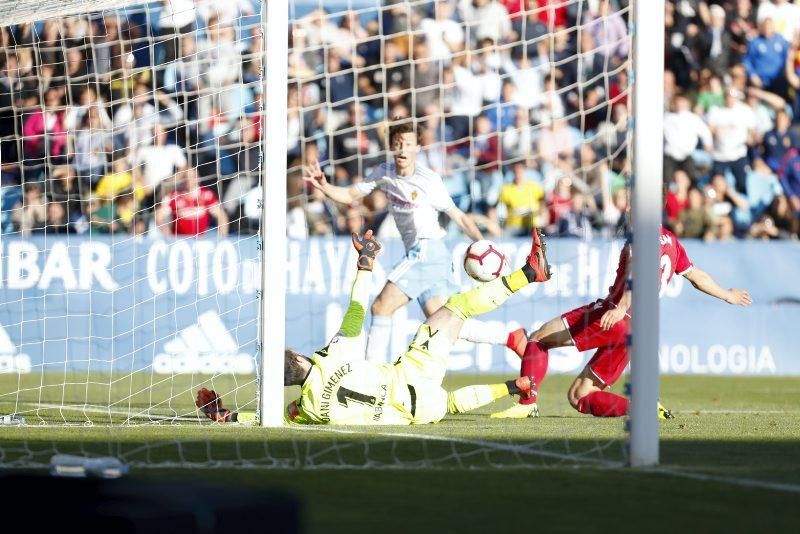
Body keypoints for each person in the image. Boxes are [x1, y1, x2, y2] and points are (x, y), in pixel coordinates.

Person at [194, 228, 552, 425]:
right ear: (300, 359)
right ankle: (528, 273)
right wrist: (365, 264)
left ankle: (511, 386)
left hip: (413, 413)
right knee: (456, 308)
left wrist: (227, 416)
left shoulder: (305, 410)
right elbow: (356, 310)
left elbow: (274, 418)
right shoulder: (330, 355)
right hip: (409, 375)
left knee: (450, 405)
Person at [492, 223, 752, 419]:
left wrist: (622, 306)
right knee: (579, 396)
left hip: (614, 315)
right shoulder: (671, 240)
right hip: (637, 330)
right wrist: (726, 295)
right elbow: (696, 276)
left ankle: (527, 404)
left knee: (538, 338)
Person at [304, 121, 511, 364]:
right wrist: (325, 185)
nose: (403, 150)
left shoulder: (428, 179)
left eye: (409, 144)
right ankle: (513, 338)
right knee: (443, 321)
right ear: (392, 146)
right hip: (431, 256)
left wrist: (484, 244)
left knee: (381, 307)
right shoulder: (384, 172)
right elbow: (350, 195)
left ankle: (371, 378)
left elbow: (460, 217)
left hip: (426, 249)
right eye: (398, 144)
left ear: (418, 147)